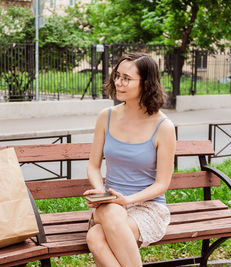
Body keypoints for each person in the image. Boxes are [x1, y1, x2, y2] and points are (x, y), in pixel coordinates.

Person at [84, 53, 176, 267]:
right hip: (108, 204)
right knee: (111, 211)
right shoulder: (105, 117)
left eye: (126, 78)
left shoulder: (163, 127)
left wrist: (127, 200)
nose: (118, 82)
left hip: (147, 208)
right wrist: (100, 191)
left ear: (146, 83)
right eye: (117, 75)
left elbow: (162, 184)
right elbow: (93, 166)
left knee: (95, 238)